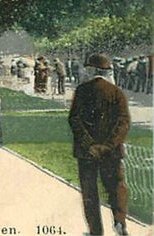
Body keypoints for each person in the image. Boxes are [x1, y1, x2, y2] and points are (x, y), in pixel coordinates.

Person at [68, 53, 131, 236]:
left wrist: (90, 145)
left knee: (90, 192)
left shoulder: (81, 91)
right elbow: (123, 122)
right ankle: (120, 223)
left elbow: (74, 120)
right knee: (116, 186)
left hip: (86, 152)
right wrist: (108, 145)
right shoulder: (116, 92)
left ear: (91, 70)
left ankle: (96, 231)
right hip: (111, 152)